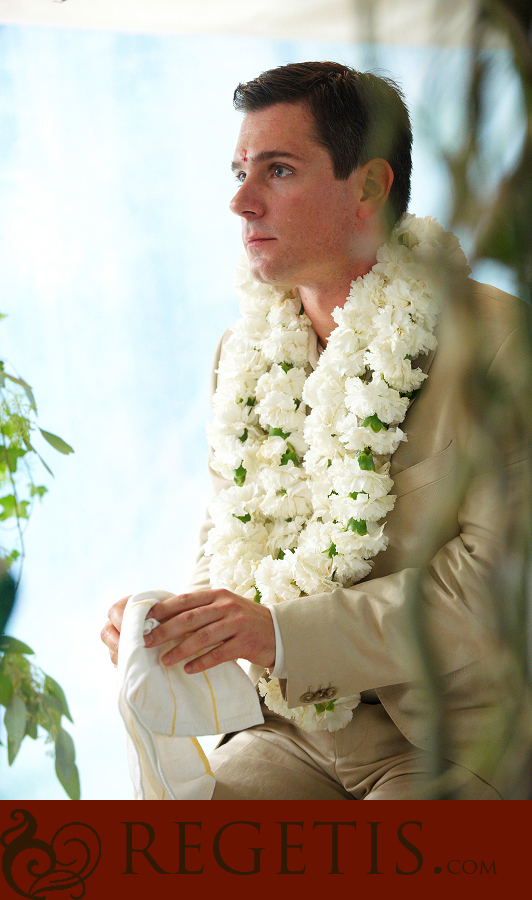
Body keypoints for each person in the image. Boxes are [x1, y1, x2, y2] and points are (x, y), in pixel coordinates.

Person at [101, 61, 531, 800]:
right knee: (180, 856)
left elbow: (498, 589)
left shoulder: (497, 345)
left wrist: (278, 635)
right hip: (288, 731)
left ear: (368, 186)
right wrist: (181, 624)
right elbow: (228, 541)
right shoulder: (242, 354)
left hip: (454, 741)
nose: (240, 201)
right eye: (238, 170)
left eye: (277, 170)